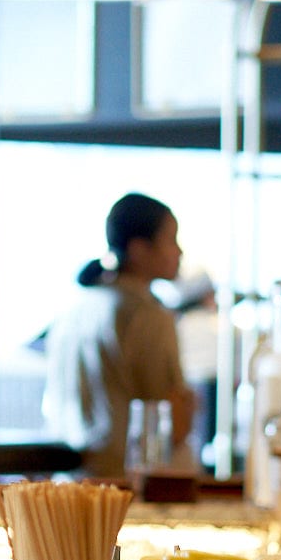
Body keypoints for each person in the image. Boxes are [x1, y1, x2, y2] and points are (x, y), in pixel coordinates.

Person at [41, 192, 193, 476]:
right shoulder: (147, 314)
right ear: (138, 248)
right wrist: (190, 403)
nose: (180, 252)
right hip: (122, 490)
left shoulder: (74, 307)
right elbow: (170, 427)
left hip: (65, 484)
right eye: (171, 240)